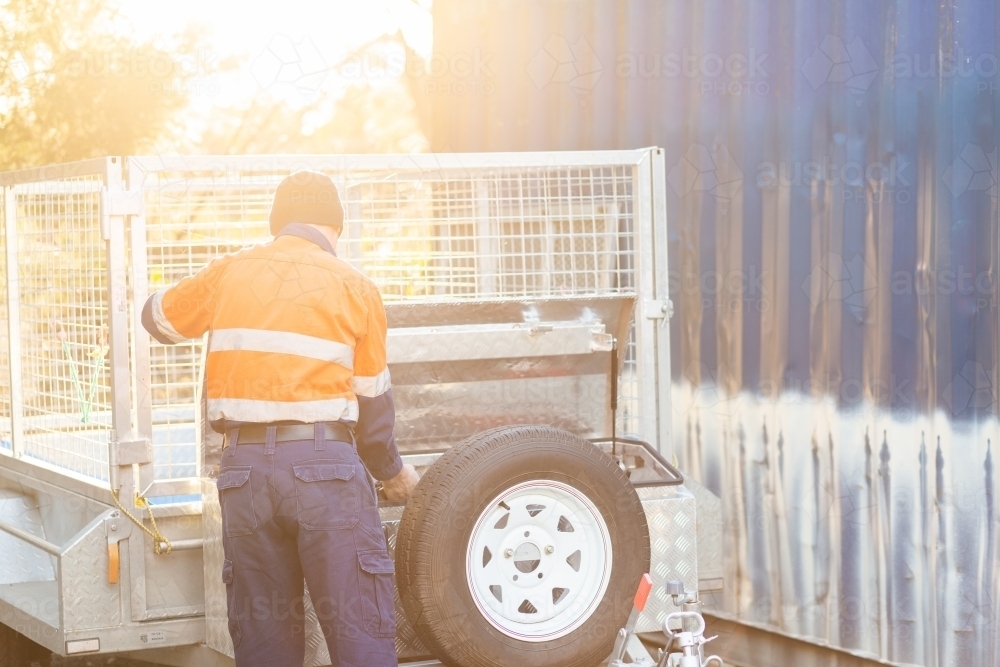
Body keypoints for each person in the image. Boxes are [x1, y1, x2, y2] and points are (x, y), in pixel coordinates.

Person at [141, 170, 419, 667]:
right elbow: (373, 404)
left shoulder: (229, 272)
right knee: (359, 628)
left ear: (278, 224)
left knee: (265, 637)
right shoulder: (356, 287)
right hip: (326, 471)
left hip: (244, 474)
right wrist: (393, 474)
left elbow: (157, 319)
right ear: (335, 228)